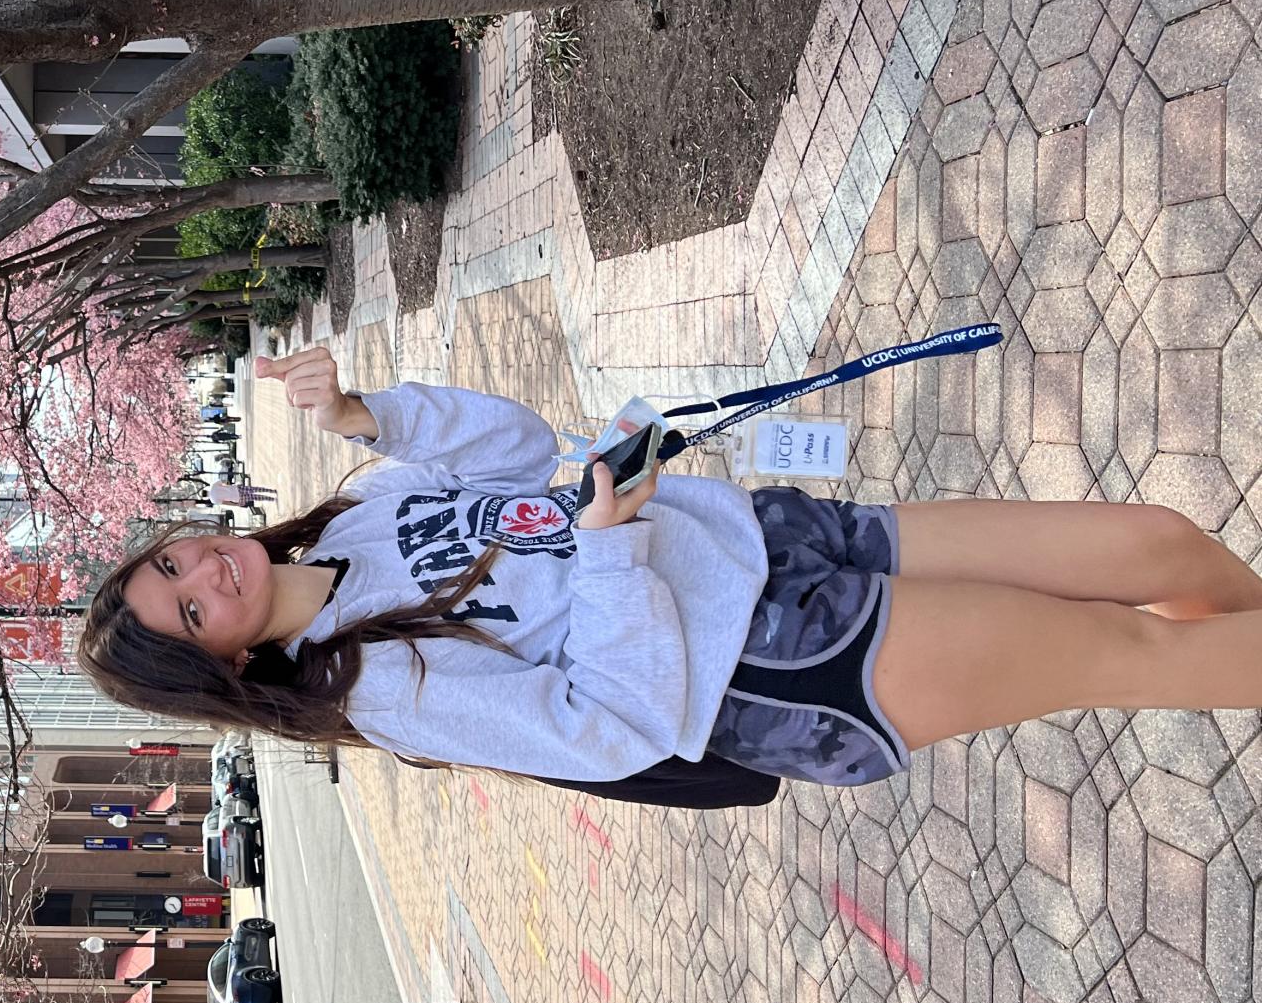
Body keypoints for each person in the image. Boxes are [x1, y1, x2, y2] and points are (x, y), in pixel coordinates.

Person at [76, 347, 1262, 810]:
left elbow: (512, 454)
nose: (205, 576)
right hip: (772, 664)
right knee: (1136, 653)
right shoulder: (375, 688)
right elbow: (606, 728)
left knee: (1152, 546)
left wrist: (363, 414)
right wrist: (601, 546)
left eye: (174, 560)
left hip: (768, 538)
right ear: (219, 664)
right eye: (188, 612)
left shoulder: (364, 513)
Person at [209, 479, 277, 509]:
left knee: (254, 497)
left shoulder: (213, 500)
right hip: (237, 489)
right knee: (255, 489)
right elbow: (224, 481)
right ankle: (272, 491)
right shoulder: (213, 486)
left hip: (237, 498)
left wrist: (236, 505)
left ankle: (272, 499)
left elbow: (226, 503)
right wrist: (229, 485)